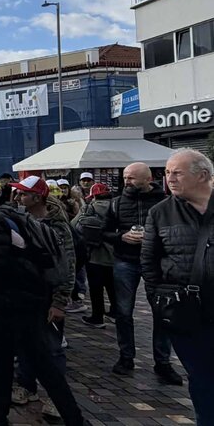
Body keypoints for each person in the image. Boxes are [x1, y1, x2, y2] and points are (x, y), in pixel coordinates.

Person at [0, 174, 87, 426]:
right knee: (35, 362)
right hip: (24, 299)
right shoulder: (9, 215)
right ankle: (71, 418)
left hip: (9, 301)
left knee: (4, 362)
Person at [143, 149, 214, 424]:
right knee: (202, 378)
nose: (169, 178)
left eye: (177, 172)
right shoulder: (160, 212)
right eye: (168, 172)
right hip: (185, 313)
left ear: (203, 175)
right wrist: (160, 303)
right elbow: (149, 263)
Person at [101, 162, 182, 384]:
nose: (127, 182)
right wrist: (121, 237)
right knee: (123, 312)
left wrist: (155, 239)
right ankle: (126, 357)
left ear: (148, 179)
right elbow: (104, 231)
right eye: (125, 177)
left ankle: (163, 362)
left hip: (156, 263)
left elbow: (176, 232)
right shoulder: (116, 203)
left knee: (161, 311)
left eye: (132, 178)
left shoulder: (166, 203)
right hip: (125, 260)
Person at [8, 176, 76, 420]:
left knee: (52, 347)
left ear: (37, 197)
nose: (17, 198)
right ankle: (26, 386)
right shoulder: (22, 220)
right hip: (25, 292)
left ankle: (56, 397)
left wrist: (60, 301)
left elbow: (67, 264)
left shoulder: (57, 226)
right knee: (24, 341)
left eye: (22, 194)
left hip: (48, 293)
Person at [72, 183, 116, 328]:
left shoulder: (89, 208)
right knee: (113, 286)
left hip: (93, 254)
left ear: (94, 195)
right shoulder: (118, 206)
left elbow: (73, 225)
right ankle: (115, 313)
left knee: (96, 288)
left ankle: (97, 317)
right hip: (115, 255)